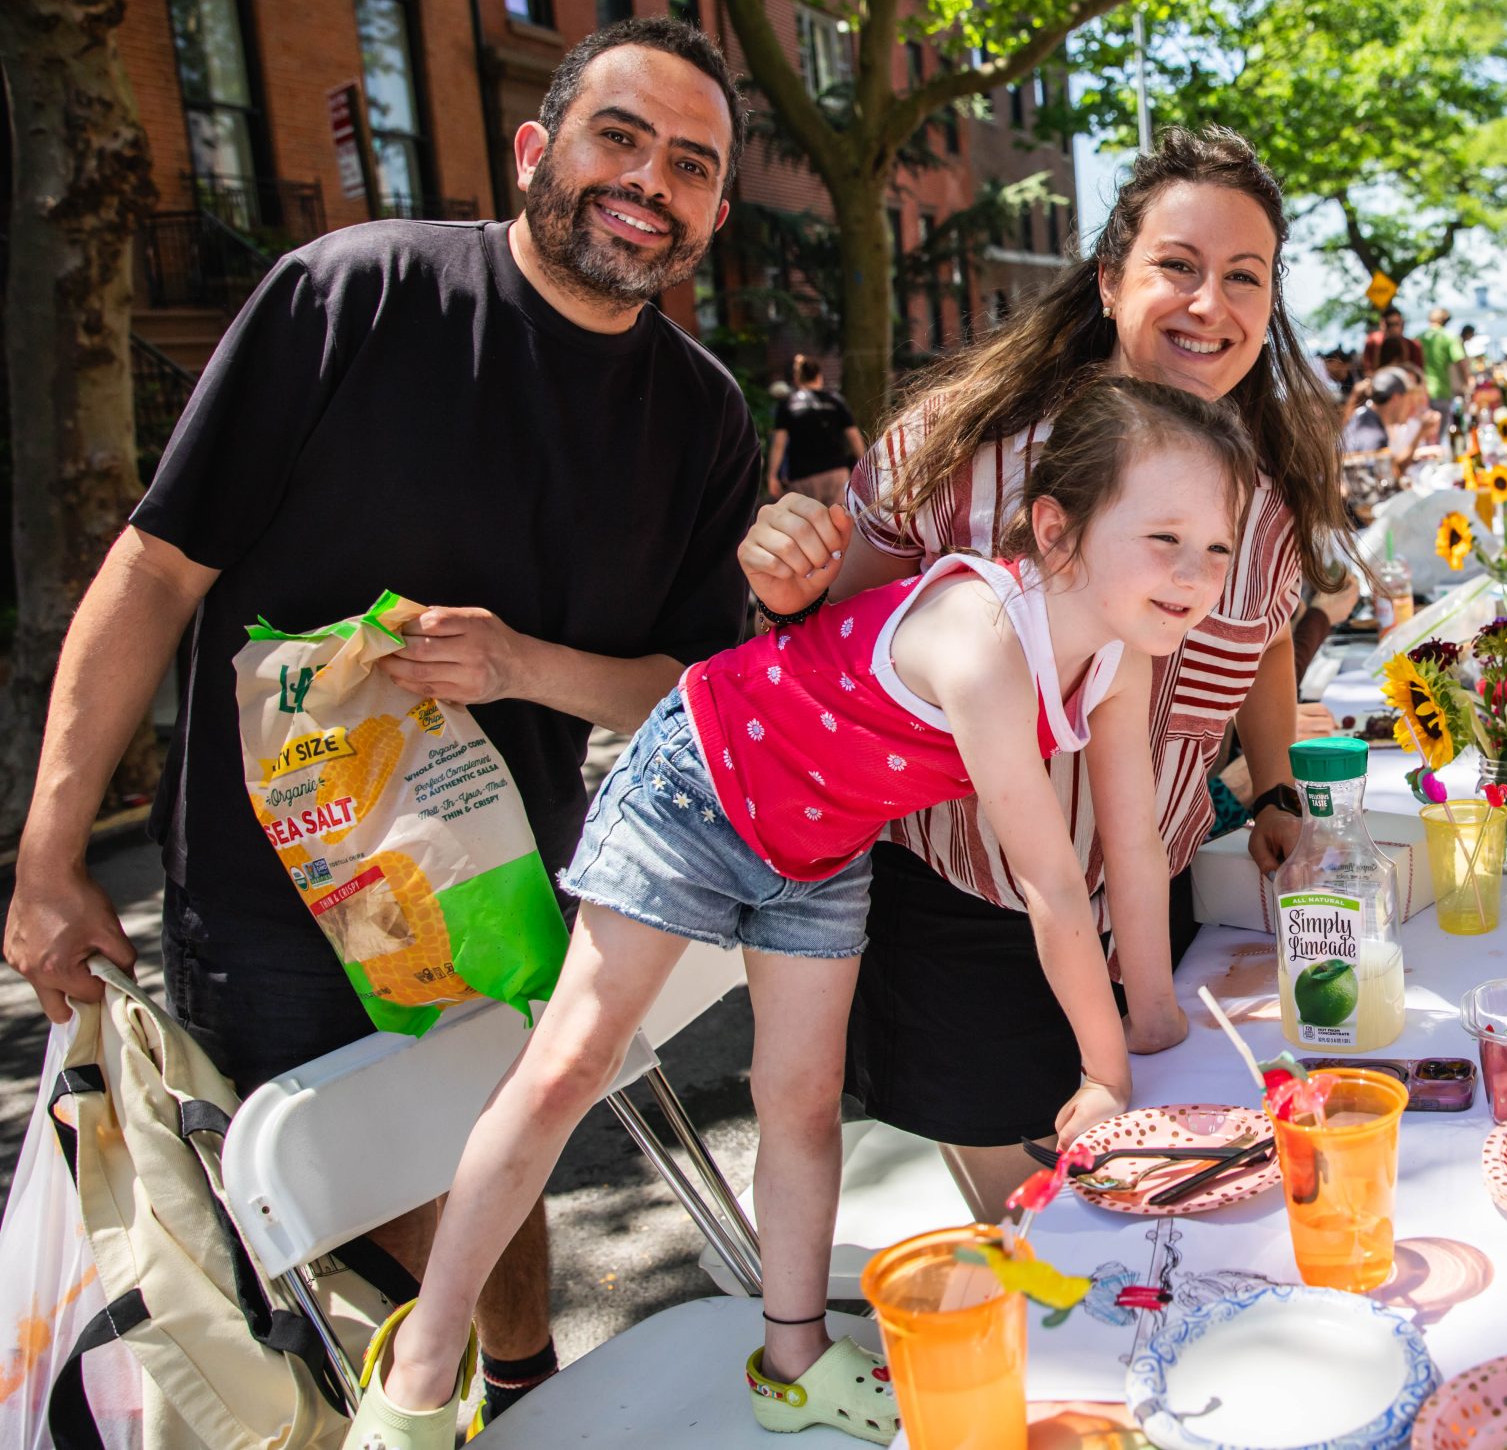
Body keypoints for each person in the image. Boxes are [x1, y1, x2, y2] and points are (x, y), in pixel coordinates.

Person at [3, 16, 761, 1416]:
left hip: (500, 883)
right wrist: (49, 859)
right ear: (539, 148)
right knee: (336, 1230)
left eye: (693, 164)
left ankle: (525, 1391)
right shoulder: (351, 293)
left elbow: (694, 690)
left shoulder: (705, 417)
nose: (651, 179)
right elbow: (156, 565)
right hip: (270, 896)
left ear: (714, 211)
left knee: (498, 1169)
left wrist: (522, 660)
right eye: (622, 135)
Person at [347, 379, 1255, 1449]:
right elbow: (1053, 889)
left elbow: (1135, 842)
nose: (1197, 577)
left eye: (1217, 546)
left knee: (802, 1099)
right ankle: (414, 1376)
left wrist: (1151, 1020)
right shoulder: (984, 644)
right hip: (700, 782)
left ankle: (793, 1363)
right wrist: (1104, 1074)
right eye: (1166, 539)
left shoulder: (1120, 649)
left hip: (822, 840)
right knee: (565, 1068)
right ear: (1058, 530)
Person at [735, 127, 1352, 1220]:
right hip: (962, 918)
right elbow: (837, 639)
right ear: (1111, 278)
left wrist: (1272, 788)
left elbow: (1258, 640)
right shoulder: (957, 444)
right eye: (1177, 266)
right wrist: (785, 585)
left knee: (1175, 1216)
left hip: (1152, 905)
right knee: (1047, 1240)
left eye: (1243, 278)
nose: (1209, 303)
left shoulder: (1271, 484)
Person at [767, 353, 865, 501]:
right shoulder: (835, 401)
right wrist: (863, 466)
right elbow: (854, 436)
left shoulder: (788, 404)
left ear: (797, 377)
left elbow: (779, 444)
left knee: (806, 522)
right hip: (837, 473)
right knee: (839, 521)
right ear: (819, 376)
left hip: (803, 476)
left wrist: (772, 475)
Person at [1417, 306, 1469, 417]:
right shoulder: (1449, 337)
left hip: (1421, 392)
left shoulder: (1418, 338)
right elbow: (1461, 362)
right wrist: (1467, 383)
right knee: (1442, 431)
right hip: (1442, 391)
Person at [1361, 306, 1426, 376]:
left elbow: (1419, 373)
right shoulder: (1373, 341)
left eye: (1396, 324)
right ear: (1382, 324)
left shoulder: (1413, 345)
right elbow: (1368, 370)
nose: (1392, 328)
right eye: (1389, 324)